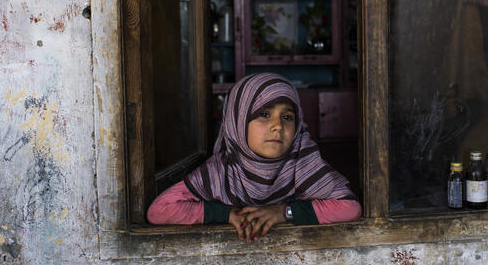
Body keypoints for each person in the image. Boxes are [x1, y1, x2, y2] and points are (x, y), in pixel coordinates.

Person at [147, 72, 361, 241]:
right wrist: (226, 214)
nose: (278, 126)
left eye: (287, 117)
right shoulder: (220, 170)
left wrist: (283, 213)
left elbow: (349, 207)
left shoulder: (304, 163)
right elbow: (159, 211)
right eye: (264, 114)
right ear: (237, 120)